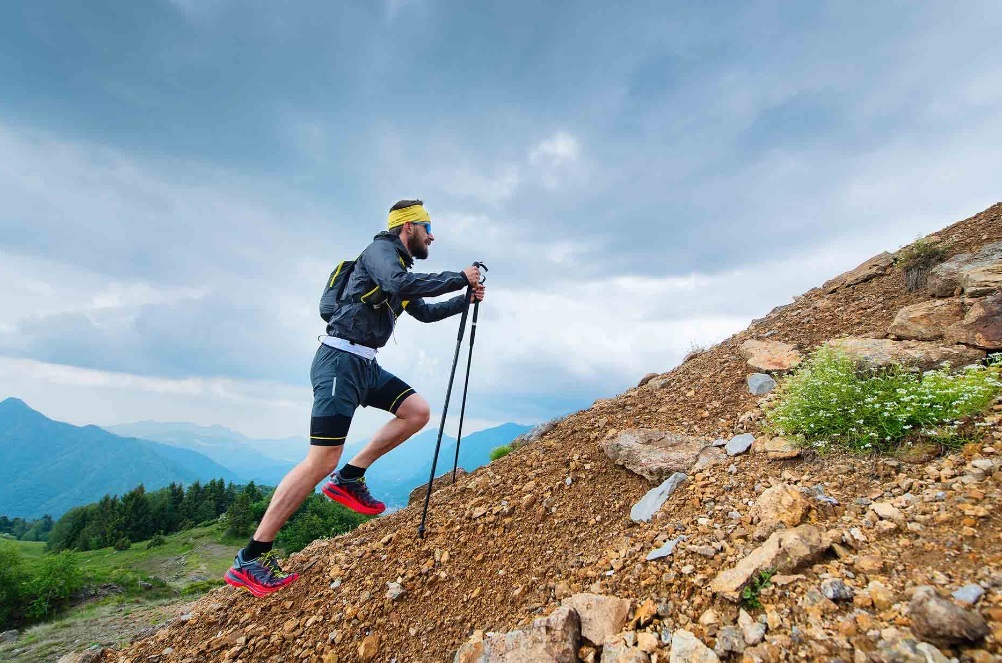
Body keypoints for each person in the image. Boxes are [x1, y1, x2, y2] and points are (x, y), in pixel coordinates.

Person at [224, 200, 485, 597]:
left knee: (416, 411)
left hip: (364, 365)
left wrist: (464, 299)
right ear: (408, 227)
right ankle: (251, 557)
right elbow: (401, 286)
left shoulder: (396, 268)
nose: (432, 235)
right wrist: (458, 278)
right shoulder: (381, 253)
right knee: (320, 459)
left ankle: (349, 477)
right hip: (339, 363)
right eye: (428, 227)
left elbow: (424, 312)